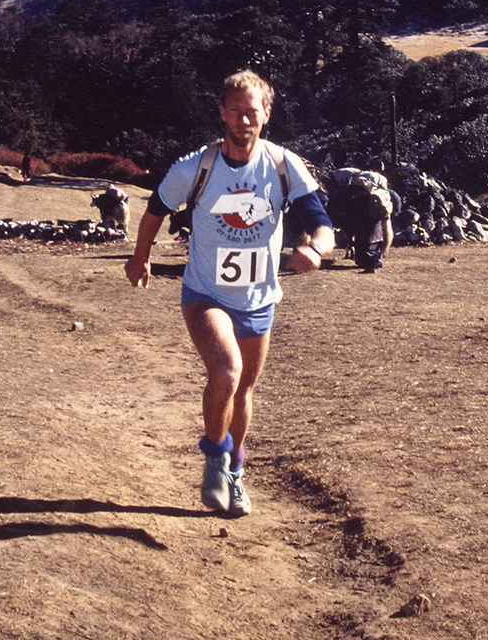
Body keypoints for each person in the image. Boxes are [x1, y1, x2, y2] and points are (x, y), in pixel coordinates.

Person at [125, 70, 334, 517]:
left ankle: (235, 472)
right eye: (234, 111)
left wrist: (316, 249)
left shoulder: (283, 166)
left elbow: (322, 223)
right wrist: (140, 257)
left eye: (251, 111)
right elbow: (155, 209)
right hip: (206, 294)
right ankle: (215, 459)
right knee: (226, 372)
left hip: (259, 299)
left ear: (266, 114)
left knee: (243, 393)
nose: (243, 120)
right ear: (221, 113)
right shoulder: (196, 168)